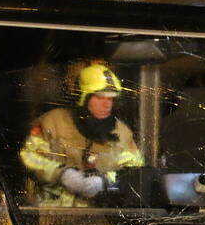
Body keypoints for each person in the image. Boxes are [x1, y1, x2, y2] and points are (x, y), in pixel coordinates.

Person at [20, 62, 144, 206]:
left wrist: (106, 181)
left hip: (102, 217)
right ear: (83, 98)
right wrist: (61, 173)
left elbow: (136, 171)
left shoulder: (122, 133)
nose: (107, 105)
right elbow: (28, 157)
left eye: (110, 99)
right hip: (51, 215)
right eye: (99, 97)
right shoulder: (52, 123)